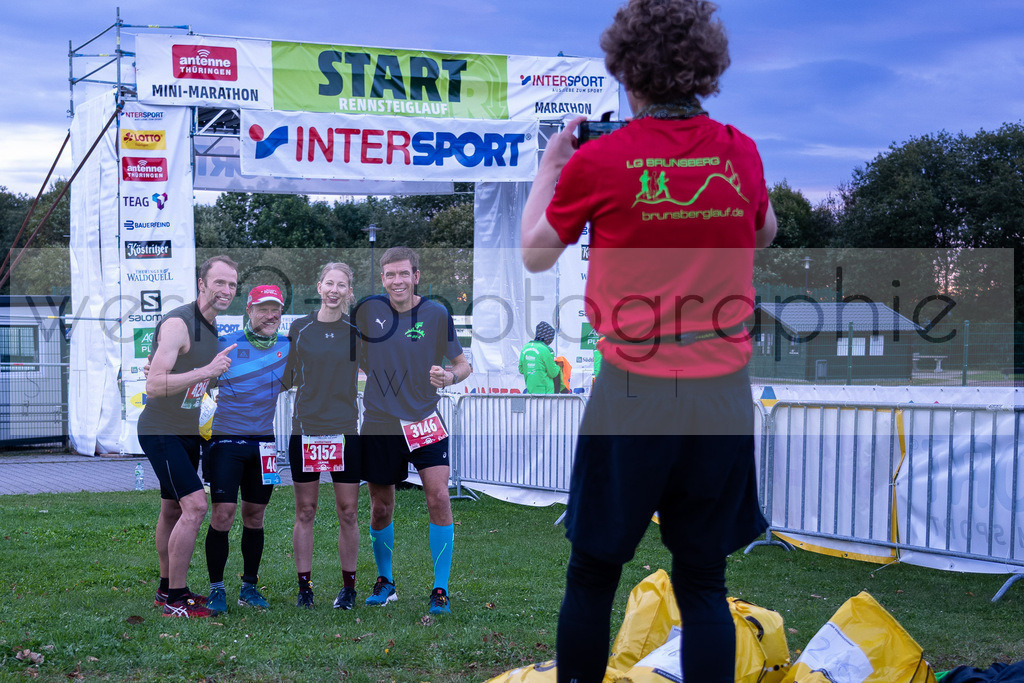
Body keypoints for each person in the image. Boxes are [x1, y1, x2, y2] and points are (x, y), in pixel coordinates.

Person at [520, 0, 778, 679]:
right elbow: (765, 231)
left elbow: (535, 253)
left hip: (635, 390)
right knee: (703, 581)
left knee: (593, 572)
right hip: (720, 392)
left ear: (625, 72)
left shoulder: (602, 158)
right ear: (706, 68)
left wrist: (550, 166)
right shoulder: (740, 150)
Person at [354, 246, 472, 615]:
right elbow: (351, 355)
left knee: (439, 498)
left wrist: (450, 376)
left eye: (404, 273)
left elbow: (463, 364)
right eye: (390, 275)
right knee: (380, 507)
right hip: (379, 421)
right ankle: (385, 581)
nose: (397, 281)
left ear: (416, 276)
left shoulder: (436, 313)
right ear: (382, 278)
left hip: (424, 419)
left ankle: (441, 589)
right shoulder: (368, 310)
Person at [139, 255, 239, 618]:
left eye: (232, 284)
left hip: (186, 432)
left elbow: (188, 380)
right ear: (202, 284)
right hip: (161, 429)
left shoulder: (211, 329)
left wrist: (209, 380)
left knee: (171, 509)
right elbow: (154, 385)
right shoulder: (179, 323)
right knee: (195, 507)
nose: (226, 290)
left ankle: (165, 589)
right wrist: (205, 371)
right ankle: (176, 599)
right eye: (219, 282)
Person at [202, 284, 289, 614]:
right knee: (222, 515)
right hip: (226, 442)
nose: (269, 315)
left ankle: (249, 588)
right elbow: (196, 375)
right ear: (248, 311)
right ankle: (216, 589)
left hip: (264, 444)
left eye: (275, 309)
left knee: (255, 516)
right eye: (262, 309)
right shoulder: (226, 344)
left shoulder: (288, 347)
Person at [284, 263, 363, 610]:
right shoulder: (299, 328)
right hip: (306, 429)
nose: (334, 290)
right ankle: (305, 589)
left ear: (348, 291)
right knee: (306, 510)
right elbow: (283, 375)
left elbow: (383, 367)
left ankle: (348, 589)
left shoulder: (357, 331)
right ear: (319, 287)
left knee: (348, 512)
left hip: (345, 430)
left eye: (341, 285)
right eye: (329, 283)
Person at [519, 321, 560, 394]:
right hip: (546, 393)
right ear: (548, 337)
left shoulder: (525, 348)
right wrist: (558, 366)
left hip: (530, 391)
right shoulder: (546, 350)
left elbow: (521, 370)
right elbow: (553, 373)